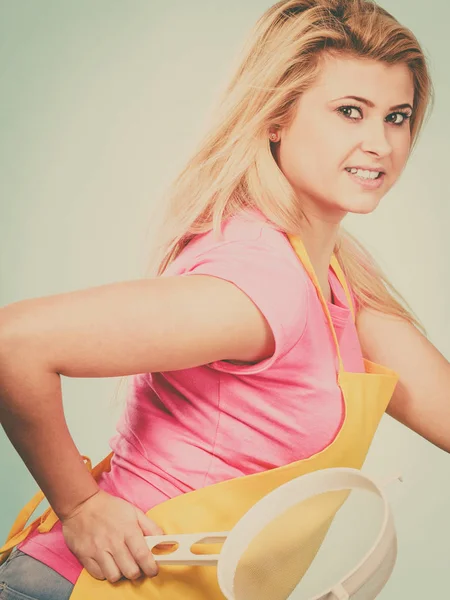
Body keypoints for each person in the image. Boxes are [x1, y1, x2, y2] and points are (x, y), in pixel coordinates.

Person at [0, 0, 448, 599]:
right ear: (274, 119)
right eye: (350, 112)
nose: (381, 143)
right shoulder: (261, 286)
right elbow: (14, 343)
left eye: (397, 117)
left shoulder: (336, 277)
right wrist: (80, 507)